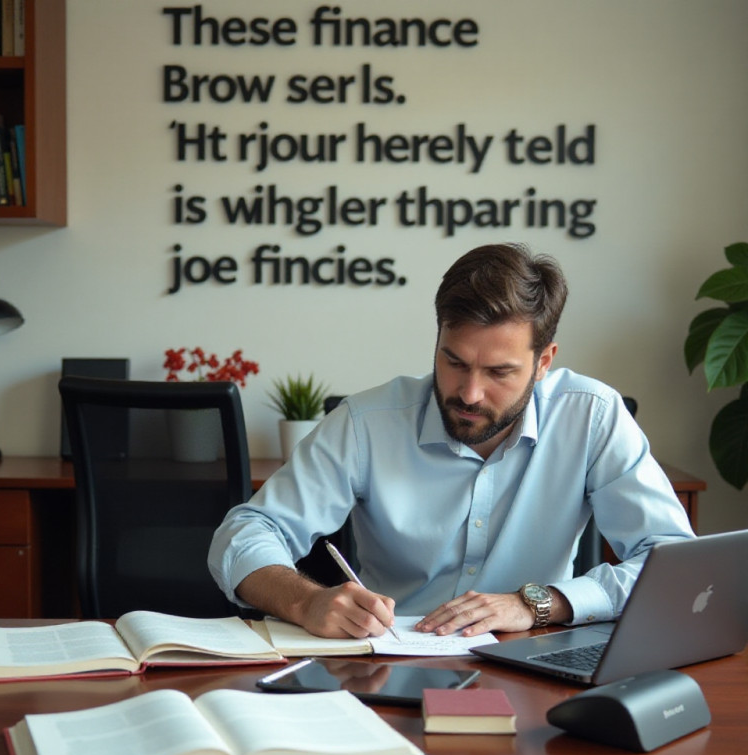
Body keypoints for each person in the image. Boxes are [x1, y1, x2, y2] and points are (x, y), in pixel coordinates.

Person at [209, 243, 694, 639]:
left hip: (537, 656)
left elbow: (673, 564)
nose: (469, 392)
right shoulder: (367, 422)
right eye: (454, 361)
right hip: (391, 661)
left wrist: (540, 603)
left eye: (499, 371)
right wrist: (307, 600)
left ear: (544, 361)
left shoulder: (592, 416)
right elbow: (244, 532)